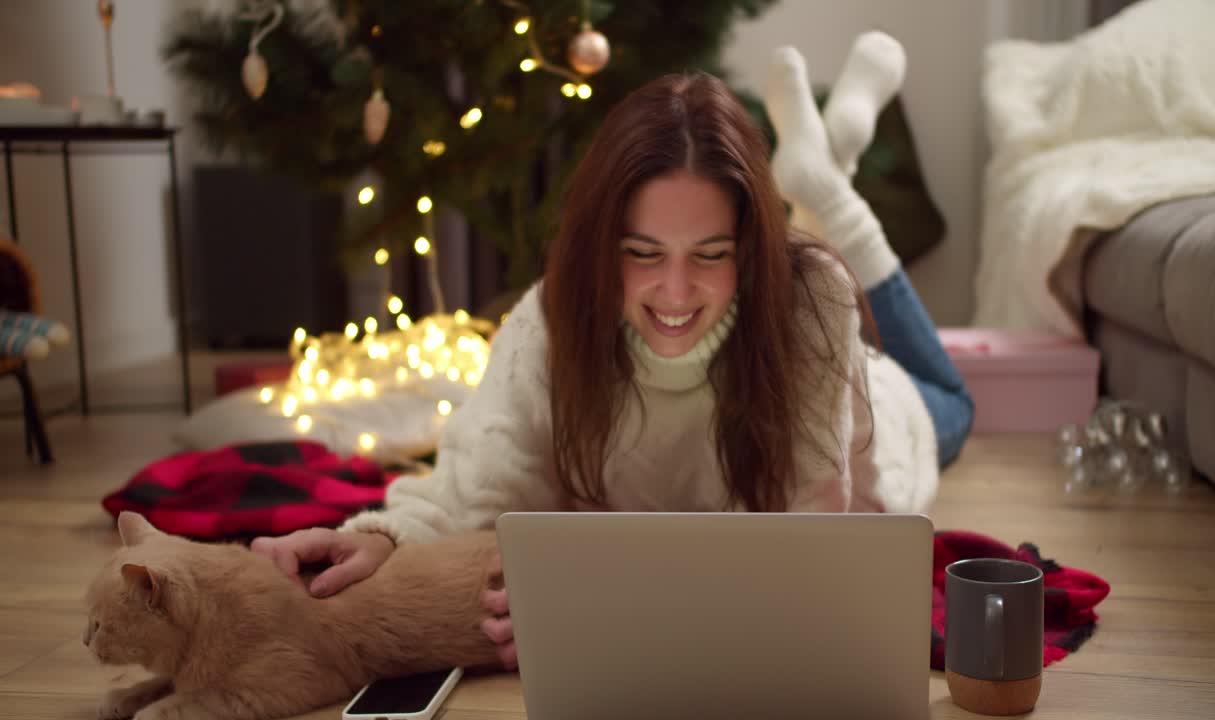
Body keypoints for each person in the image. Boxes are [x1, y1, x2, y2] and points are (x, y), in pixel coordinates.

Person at [252, 33, 972, 671]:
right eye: (642, 251)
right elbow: (478, 488)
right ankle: (826, 162)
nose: (676, 292)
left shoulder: (811, 304)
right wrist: (381, 536)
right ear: (604, 243)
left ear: (751, 252)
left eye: (712, 253)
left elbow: (807, 552)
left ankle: (832, 191)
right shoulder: (553, 316)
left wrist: (613, 619)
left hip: (895, 418)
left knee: (956, 402)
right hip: (829, 349)